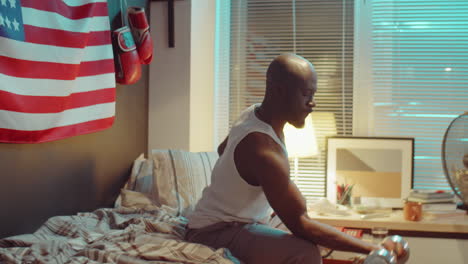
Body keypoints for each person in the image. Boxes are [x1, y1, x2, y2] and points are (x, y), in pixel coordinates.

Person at [185, 53, 406, 263]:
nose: (313, 103)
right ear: (279, 91)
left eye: (313, 94)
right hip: (212, 232)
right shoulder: (264, 152)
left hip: (239, 220)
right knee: (305, 253)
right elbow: (301, 223)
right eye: (306, 94)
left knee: (317, 239)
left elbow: (223, 149)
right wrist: (372, 248)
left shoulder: (252, 113)